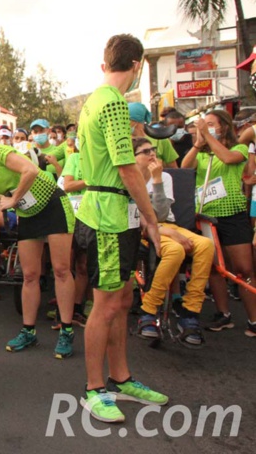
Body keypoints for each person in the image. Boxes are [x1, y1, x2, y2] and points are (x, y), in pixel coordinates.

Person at [77, 34, 167, 423]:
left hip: (113, 213)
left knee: (123, 299)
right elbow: (127, 166)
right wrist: (151, 216)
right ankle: (94, 389)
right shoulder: (113, 102)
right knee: (106, 305)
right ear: (137, 66)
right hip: (109, 217)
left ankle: (121, 377)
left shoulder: (95, 99)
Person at [0, 135, 76, 355]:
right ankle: (28, 331)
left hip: (53, 205)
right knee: (28, 275)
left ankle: (66, 331)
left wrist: (14, 198)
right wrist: (6, 212)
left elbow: (31, 170)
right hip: (28, 214)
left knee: (61, 270)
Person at [182, 110, 256, 336]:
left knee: (244, 269)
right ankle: (223, 314)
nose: (205, 126)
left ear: (223, 126)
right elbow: (185, 168)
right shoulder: (203, 154)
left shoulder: (239, 149)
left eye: (211, 124)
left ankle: (253, 319)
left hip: (232, 216)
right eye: (204, 124)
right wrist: (197, 143)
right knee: (213, 268)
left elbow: (227, 158)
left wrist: (208, 136)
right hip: (206, 218)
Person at [132, 138, 212, 346]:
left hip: (168, 224)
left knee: (205, 244)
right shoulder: (128, 179)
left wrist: (157, 180)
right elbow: (139, 216)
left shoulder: (164, 177)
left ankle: (190, 310)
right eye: (145, 151)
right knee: (175, 251)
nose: (152, 154)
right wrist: (162, 230)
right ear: (133, 157)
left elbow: (162, 212)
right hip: (143, 229)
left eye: (153, 150)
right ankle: (148, 310)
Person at [61, 151, 89, 327]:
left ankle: (77, 309)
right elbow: (67, 185)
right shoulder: (74, 158)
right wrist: (89, 182)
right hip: (72, 213)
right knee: (65, 265)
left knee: (83, 265)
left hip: (94, 214)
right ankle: (63, 309)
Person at [129, 102, 178, 169]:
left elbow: (173, 167)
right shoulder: (121, 140)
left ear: (136, 121)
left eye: (128, 121)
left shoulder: (160, 140)